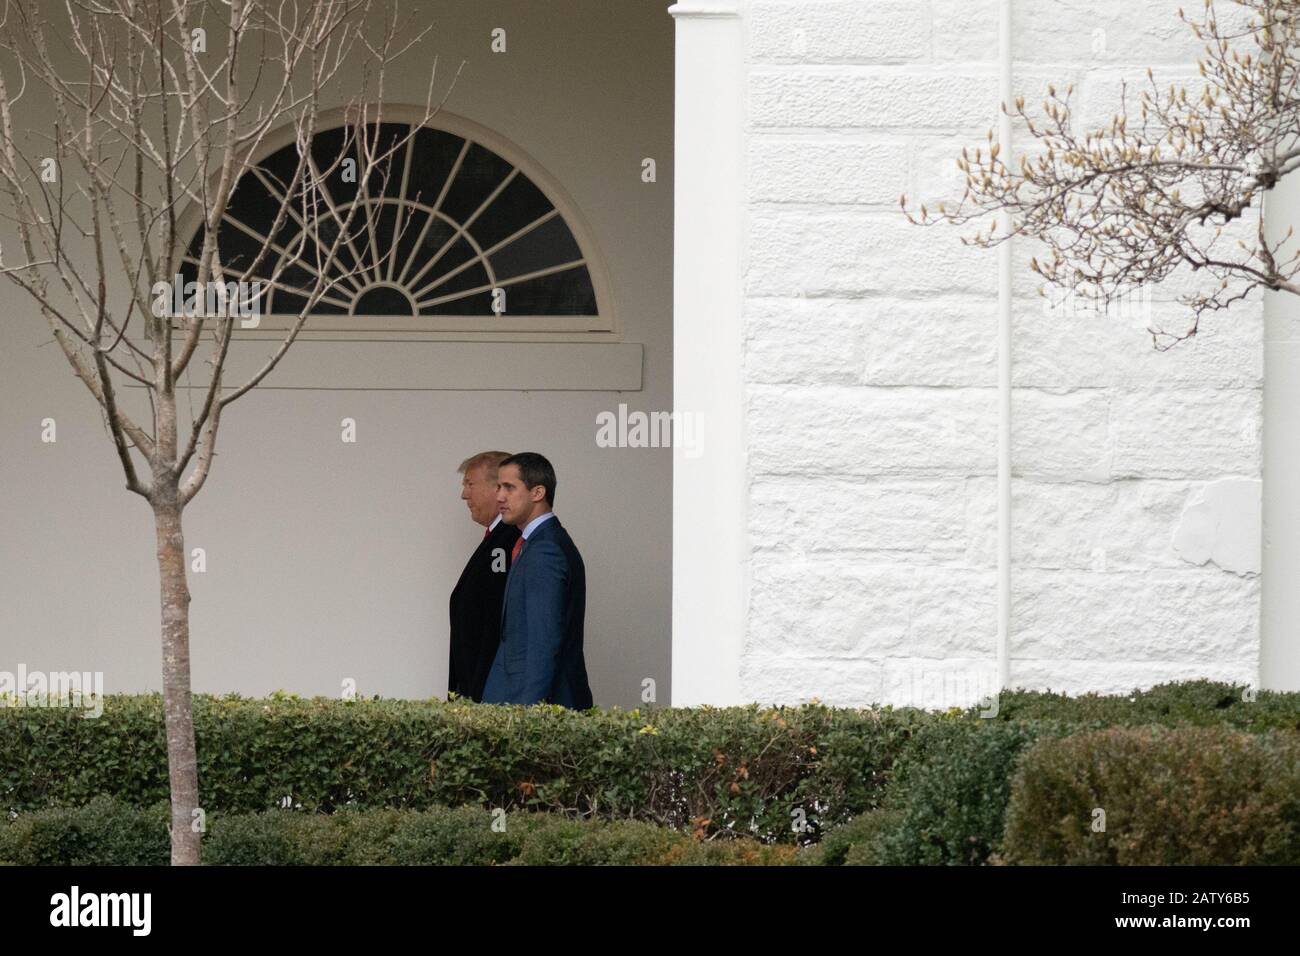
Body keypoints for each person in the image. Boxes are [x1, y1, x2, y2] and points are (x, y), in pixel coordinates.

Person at [481, 452, 593, 708]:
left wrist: (529, 716)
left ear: (538, 492)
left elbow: (543, 642)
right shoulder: (538, 543)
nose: (499, 496)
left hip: (529, 707)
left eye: (509, 487)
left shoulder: (545, 550)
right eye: (498, 487)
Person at [448, 451, 520, 702]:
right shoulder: (499, 538)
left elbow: (497, 623)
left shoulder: (510, 539)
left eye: (470, 484)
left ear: (497, 488)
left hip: (489, 692)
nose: (464, 494)